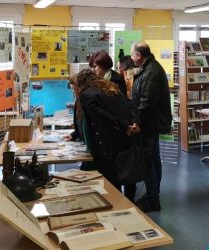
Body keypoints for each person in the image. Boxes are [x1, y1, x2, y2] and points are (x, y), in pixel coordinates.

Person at [74, 69, 140, 202]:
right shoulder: (111, 88)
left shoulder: (86, 95)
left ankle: (115, 204)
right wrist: (130, 124)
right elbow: (128, 107)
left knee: (110, 177)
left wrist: (123, 126)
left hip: (107, 140)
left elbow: (102, 117)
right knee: (123, 171)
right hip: (123, 136)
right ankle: (128, 202)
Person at [130, 42, 172, 212]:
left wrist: (136, 122)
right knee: (153, 159)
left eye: (132, 54)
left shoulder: (152, 72)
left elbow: (147, 103)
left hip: (149, 124)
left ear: (139, 56)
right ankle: (152, 195)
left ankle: (153, 199)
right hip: (150, 123)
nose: (131, 57)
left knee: (149, 161)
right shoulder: (148, 68)